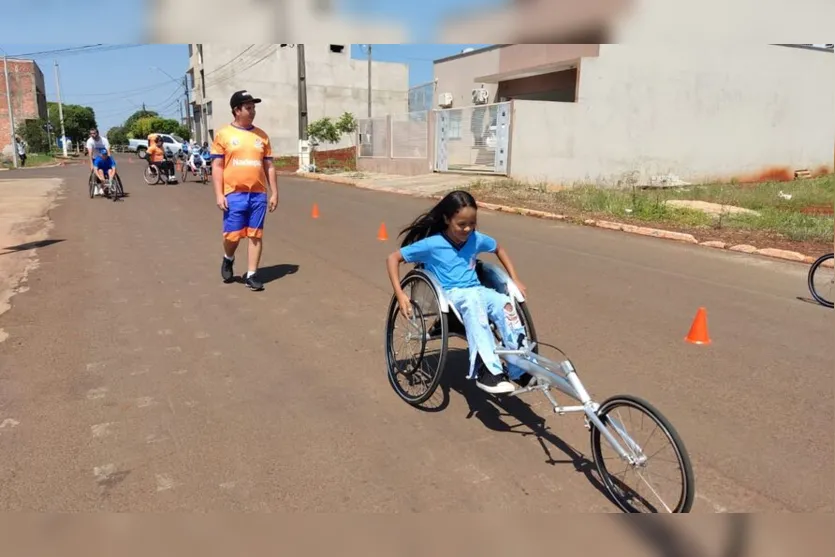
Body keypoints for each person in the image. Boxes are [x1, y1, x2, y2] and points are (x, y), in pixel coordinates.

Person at [385, 190, 531, 395]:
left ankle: (519, 367)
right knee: (474, 303)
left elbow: (499, 248)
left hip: (476, 290)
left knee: (504, 303)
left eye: (472, 223)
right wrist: (400, 294)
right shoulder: (433, 244)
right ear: (446, 219)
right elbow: (393, 259)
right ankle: (488, 370)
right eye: (461, 224)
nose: (467, 229)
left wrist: (514, 278)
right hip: (450, 294)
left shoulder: (476, 239)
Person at [211, 90, 278, 292]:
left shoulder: (262, 136)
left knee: (255, 235)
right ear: (236, 110)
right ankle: (228, 258)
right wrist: (219, 194)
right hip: (234, 193)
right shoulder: (223, 134)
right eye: (248, 107)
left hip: (258, 194)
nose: (253, 111)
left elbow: (269, 166)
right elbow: (217, 166)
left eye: (253, 107)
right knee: (232, 236)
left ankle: (251, 275)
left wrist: (274, 192)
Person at [86, 128, 115, 196]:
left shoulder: (104, 140)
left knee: (109, 170)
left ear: (98, 133)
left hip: (104, 157)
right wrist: (91, 164)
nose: (93, 135)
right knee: (95, 172)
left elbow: (108, 151)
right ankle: (96, 187)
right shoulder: (90, 141)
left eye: (94, 133)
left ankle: (106, 186)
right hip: (95, 158)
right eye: (91, 134)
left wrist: (110, 161)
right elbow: (90, 153)